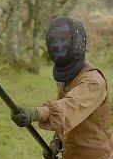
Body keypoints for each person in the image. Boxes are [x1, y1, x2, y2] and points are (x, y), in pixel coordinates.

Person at [11, 16, 113, 159]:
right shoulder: (66, 79)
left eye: (63, 41)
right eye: (55, 41)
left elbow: (68, 108)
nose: (58, 46)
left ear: (76, 43)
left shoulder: (93, 82)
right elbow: (68, 119)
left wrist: (35, 113)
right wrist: (56, 143)